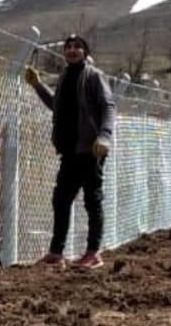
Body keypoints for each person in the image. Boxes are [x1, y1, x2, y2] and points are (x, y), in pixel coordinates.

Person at [24, 33, 115, 270]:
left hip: (91, 149)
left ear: (85, 52)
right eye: (68, 47)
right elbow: (57, 106)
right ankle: (56, 252)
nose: (72, 50)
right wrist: (37, 85)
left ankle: (93, 253)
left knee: (92, 200)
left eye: (77, 47)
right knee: (61, 199)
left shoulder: (94, 76)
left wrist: (104, 136)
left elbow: (108, 107)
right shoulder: (66, 76)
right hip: (70, 150)